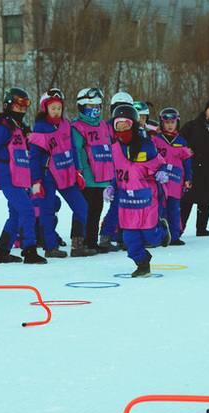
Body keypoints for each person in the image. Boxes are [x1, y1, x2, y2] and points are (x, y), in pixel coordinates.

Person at [103, 105, 171, 277]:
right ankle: (142, 264)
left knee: (150, 235)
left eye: (125, 127)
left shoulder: (146, 145)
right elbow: (119, 173)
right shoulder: (115, 149)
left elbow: (159, 163)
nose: (122, 131)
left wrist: (162, 172)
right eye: (118, 128)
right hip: (127, 201)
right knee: (129, 239)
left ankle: (162, 232)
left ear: (133, 126)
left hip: (147, 198)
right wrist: (112, 186)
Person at [0, 87, 47, 264]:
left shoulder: (19, 127)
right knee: (27, 210)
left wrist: (30, 137)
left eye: (26, 105)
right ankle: (29, 250)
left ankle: (2, 251)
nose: (23, 108)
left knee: (16, 214)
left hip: (20, 177)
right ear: (9, 104)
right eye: (19, 104)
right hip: (8, 177)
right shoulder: (3, 128)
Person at [29, 88, 95, 258]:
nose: (56, 111)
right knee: (47, 211)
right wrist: (36, 181)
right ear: (45, 109)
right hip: (47, 176)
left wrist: (78, 172)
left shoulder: (66, 124)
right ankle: (50, 247)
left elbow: (73, 149)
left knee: (81, 206)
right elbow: (34, 157)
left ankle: (78, 244)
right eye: (53, 108)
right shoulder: (40, 127)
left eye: (59, 108)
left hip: (66, 173)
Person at [72, 87, 114, 253]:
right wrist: (79, 172)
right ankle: (79, 242)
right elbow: (76, 150)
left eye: (98, 105)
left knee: (96, 209)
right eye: (91, 106)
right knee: (84, 209)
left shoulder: (103, 125)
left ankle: (92, 241)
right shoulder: (77, 127)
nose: (95, 109)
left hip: (102, 177)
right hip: (87, 176)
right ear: (82, 106)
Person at [180, 99, 209, 236]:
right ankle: (180, 227)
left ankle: (201, 228)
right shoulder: (192, 125)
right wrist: (186, 149)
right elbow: (179, 141)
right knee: (187, 200)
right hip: (192, 168)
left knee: (205, 200)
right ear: (205, 111)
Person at [98, 91, 135, 252]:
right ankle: (106, 236)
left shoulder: (133, 128)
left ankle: (122, 237)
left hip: (130, 171)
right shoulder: (107, 128)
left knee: (129, 205)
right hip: (113, 170)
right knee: (117, 204)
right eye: (118, 108)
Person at [151, 107, 192, 245]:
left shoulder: (182, 142)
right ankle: (160, 235)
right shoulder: (156, 140)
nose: (169, 125)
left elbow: (187, 162)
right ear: (162, 124)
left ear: (177, 123)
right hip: (160, 181)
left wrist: (188, 178)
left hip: (176, 182)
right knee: (160, 209)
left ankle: (174, 236)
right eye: (166, 122)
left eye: (172, 122)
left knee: (174, 209)